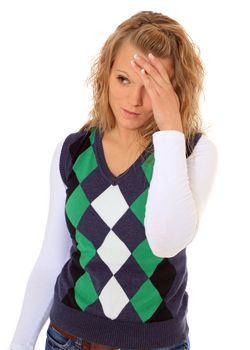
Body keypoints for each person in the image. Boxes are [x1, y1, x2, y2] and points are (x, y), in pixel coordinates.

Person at [9, 10, 218, 350]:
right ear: (105, 74)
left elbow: (166, 240)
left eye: (152, 86)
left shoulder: (193, 152)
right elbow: (53, 258)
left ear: (175, 90)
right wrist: (19, 342)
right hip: (67, 339)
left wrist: (170, 131)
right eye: (124, 79)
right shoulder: (74, 151)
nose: (134, 100)